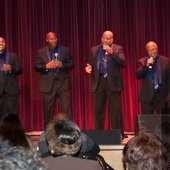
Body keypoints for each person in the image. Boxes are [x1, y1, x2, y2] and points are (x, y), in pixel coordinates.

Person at [85, 30, 125, 132]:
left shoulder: (118, 48)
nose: (105, 40)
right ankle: (99, 133)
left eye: (108, 39)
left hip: (113, 83)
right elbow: (90, 63)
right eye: (104, 38)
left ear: (112, 39)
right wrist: (88, 68)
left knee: (115, 111)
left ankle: (118, 133)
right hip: (99, 82)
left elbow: (122, 63)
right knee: (98, 110)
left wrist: (112, 53)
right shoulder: (94, 49)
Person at [35, 32, 74, 128]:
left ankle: (68, 131)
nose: (53, 41)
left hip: (63, 84)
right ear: (47, 40)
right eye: (51, 39)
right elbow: (36, 66)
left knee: (66, 110)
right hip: (48, 85)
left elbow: (72, 63)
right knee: (48, 111)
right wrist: (46, 66)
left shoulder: (65, 50)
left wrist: (62, 65)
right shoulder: (41, 52)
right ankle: (48, 133)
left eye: (55, 38)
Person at [136, 41, 170, 114]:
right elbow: (138, 75)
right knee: (147, 121)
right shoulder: (142, 61)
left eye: (155, 49)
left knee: (164, 121)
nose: (153, 51)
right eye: (151, 49)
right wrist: (146, 66)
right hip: (147, 96)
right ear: (147, 50)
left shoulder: (166, 61)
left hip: (162, 96)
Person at [0, 37, 22, 120]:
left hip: (11, 89)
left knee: (12, 115)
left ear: (5, 44)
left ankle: (12, 132)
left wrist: (11, 68)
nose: (0, 44)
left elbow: (20, 69)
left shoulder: (13, 56)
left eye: (2, 42)